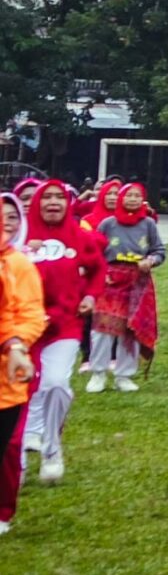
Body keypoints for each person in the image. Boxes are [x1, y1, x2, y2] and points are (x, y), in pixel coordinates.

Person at [19, 180, 102, 485]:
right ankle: (18, 454)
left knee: (55, 383)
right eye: (46, 197)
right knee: (21, 389)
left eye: (59, 197)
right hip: (22, 326)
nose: (53, 202)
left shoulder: (80, 237)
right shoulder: (18, 237)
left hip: (65, 324)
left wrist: (90, 296)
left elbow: (98, 268)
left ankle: (52, 449)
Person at [0, 194, 49, 535]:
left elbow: (31, 314)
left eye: (11, 217)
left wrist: (16, 345)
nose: (5, 223)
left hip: (6, 379)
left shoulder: (19, 265)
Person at [85, 182, 163, 392]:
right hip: (110, 280)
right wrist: (101, 273)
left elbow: (159, 250)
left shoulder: (148, 224)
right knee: (103, 327)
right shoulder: (108, 224)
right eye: (129, 195)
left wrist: (151, 260)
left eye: (137, 196)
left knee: (131, 329)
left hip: (138, 281)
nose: (133, 199)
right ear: (121, 198)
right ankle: (98, 373)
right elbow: (94, 252)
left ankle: (124, 375)